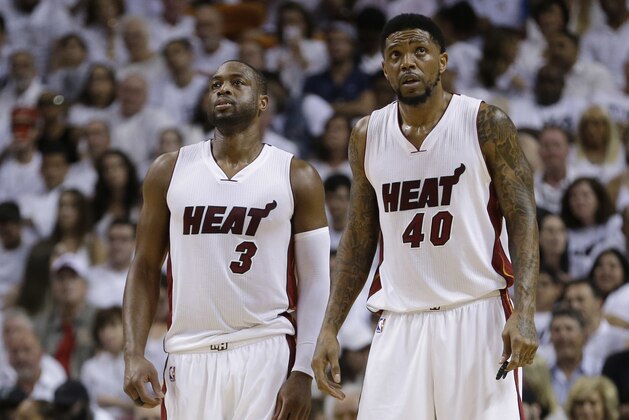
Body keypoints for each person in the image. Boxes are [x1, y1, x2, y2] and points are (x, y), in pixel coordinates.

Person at [312, 13, 539, 420]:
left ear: (443, 61)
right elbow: (360, 238)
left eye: (420, 51)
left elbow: (523, 221)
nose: (408, 62)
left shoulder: (486, 123)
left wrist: (524, 312)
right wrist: (330, 327)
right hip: (400, 322)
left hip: (477, 315)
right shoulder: (367, 134)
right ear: (384, 68)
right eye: (395, 54)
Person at [123, 60, 330, 419]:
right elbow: (143, 266)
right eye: (216, 84)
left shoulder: (297, 175)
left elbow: (315, 281)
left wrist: (303, 370)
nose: (223, 89)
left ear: (263, 102)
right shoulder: (169, 170)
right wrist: (133, 351)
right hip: (189, 354)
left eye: (237, 82)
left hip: (265, 349)